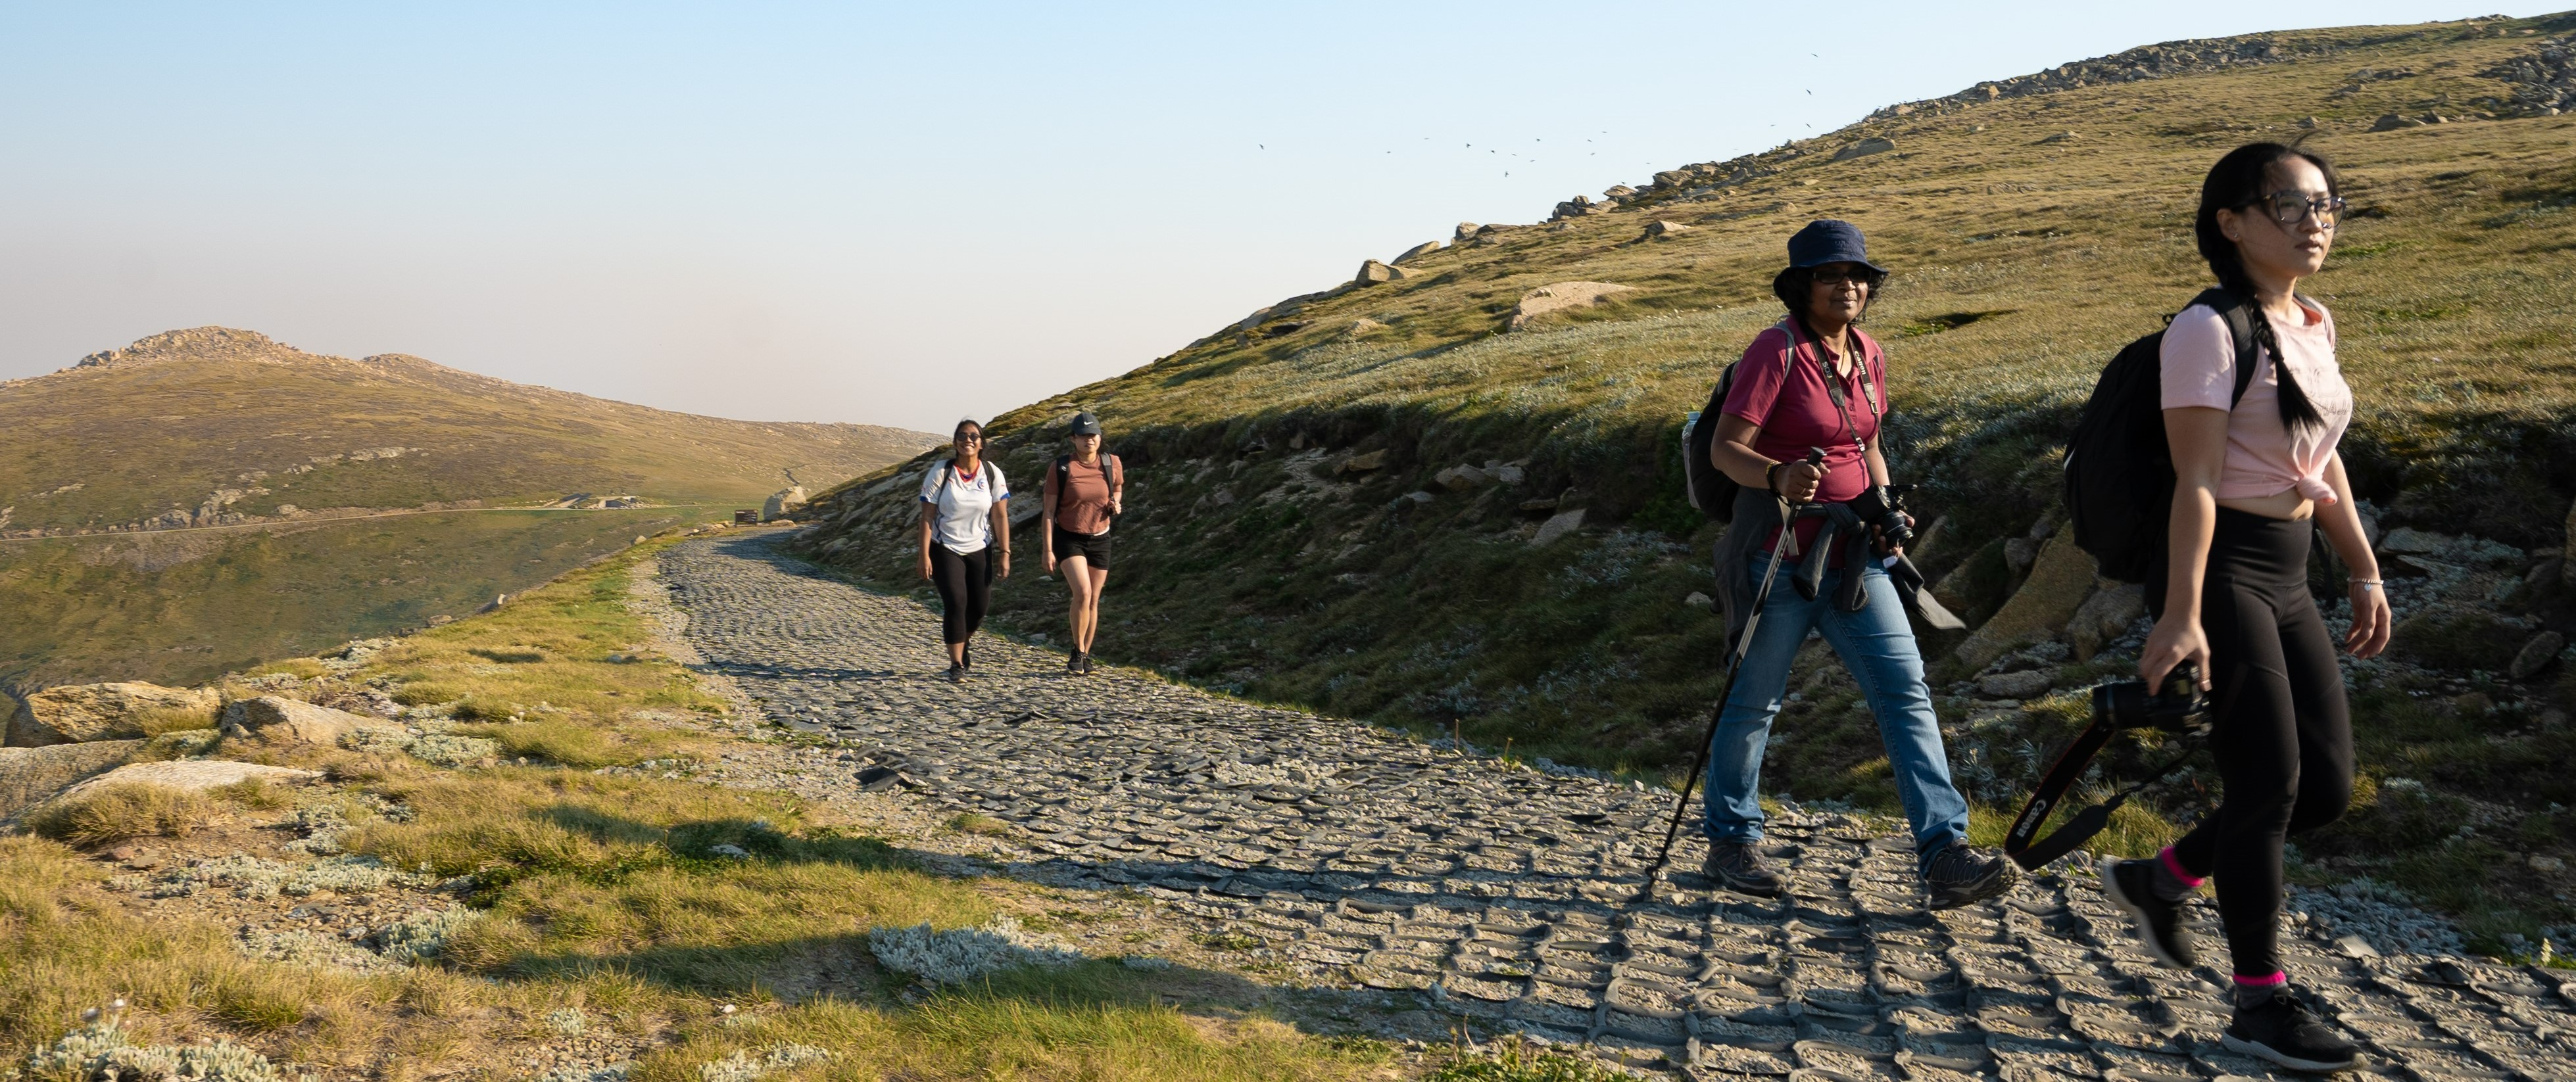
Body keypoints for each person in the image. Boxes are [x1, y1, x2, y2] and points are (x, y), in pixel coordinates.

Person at [2099, 143, 2387, 1074]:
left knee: (2326, 787)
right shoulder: (2206, 329)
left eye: (2325, 203)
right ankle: (2258, 1003)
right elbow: (2194, 482)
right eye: (2289, 204)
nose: (2315, 220)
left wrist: (2363, 567)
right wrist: (2180, 615)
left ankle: (2162, 876)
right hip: (2222, 569)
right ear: (2230, 222)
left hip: (2291, 566)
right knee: (2266, 784)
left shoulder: (2311, 319)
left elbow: (2320, 452)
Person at [1701, 219, 2014, 910]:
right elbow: (1727, 448)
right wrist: (1778, 475)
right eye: (1829, 275)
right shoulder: (1773, 351)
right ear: (1801, 286)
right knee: (1753, 701)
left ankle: (1944, 855)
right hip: (1775, 558)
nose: (1847, 285)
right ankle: (1730, 837)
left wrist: (1884, 509)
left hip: (1855, 559)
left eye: (1857, 276)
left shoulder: (1868, 353)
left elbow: (1864, 442)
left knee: (1905, 691)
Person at [917, 419, 1011, 682]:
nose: (968, 440)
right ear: (955, 442)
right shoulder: (941, 472)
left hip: (980, 547)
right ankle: (956, 663)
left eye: (973, 436)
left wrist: (1005, 552)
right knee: (957, 603)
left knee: (979, 609)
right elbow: (926, 517)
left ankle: (962, 641)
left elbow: (1000, 516)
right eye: (962, 436)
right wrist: (923, 555)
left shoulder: (992, 473)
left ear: (981, 443)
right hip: (945, 547)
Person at [1040, 412, 1123, 675]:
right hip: (1069, 537)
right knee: (1083, 593)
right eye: (1083, 436)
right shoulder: (1062, 467)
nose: (1089, 440)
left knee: (1094, 599)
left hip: (1101, 537)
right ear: (1073, 439)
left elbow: (1117, 488)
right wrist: (1048, 549)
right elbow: (1049, 512)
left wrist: (1116, 503)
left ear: (1100, 438)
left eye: (1093, 435)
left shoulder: (1112, 463)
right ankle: (1077, 651)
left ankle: (1086, 654)